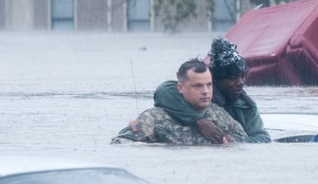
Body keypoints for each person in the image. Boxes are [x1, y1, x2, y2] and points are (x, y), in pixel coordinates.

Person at [153, 36, 271, 143]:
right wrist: (198, 120)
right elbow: (163, 91)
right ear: (217, 79)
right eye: (233, 78)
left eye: (243, 76)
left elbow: (263, 139)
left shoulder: (246, 106)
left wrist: (235, 140)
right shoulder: (200, 95)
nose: (241, 82)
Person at [113, 58, 249, 145]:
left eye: (209, 85)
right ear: (180, 88)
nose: (206, 91)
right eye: (198, 86)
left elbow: (248, 141)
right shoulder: (154, 118)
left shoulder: (220, 116)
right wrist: (152, 148)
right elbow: (120, 142)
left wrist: (233, 142)